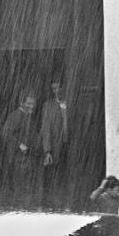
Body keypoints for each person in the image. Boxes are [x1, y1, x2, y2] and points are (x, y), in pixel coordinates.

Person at [0, 92, 38, 206]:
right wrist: (19, 145)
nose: (32, 106)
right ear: (22, 103)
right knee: (20, 191)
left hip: (27, 159)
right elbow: (5, 133)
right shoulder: (16, 116)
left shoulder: (28, 117)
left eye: (33, 103)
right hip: (18, 160)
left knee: (26, 190)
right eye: (29, 103)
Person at [40, 79, 68, 208]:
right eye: (54, 89)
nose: (57, 92)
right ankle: (56, 204)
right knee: (56, 177)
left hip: (71, 147)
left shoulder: (71, 103)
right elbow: (46, 129)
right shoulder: (48, 105)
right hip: (56, 147)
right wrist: (48, 150)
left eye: (59, 88)